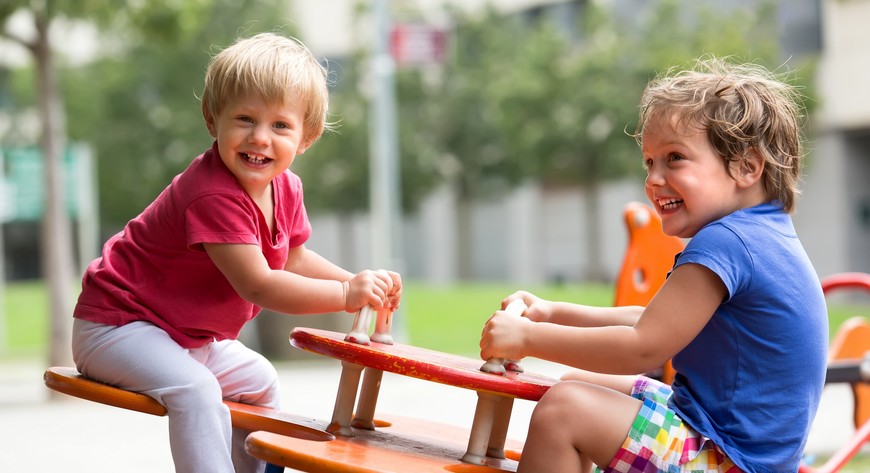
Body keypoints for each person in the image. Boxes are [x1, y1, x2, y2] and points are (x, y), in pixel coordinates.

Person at [71, 32, 401, 473]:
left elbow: (293, 258)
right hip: (116, 327)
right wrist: (345, 295)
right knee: (196, 391)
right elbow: (260, 283)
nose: (260, 138)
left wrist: (361, 284)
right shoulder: (213, 194)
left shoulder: (285, 187)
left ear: (307, 137)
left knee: (260, 382)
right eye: (245, 119)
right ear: (213, 120)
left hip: (182, 336)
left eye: (280, 125)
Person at [480, 57, 827, 473]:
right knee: (579, 383)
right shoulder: (763, 234)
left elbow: (644, 346)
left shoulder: (728, 241)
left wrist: (528, 338)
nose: (653, 179)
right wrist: (553, 313)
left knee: (564, 411)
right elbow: (654, 321)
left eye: (674, 158)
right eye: (649, 162)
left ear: (747, 166)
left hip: (727, 460)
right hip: (726, 442)